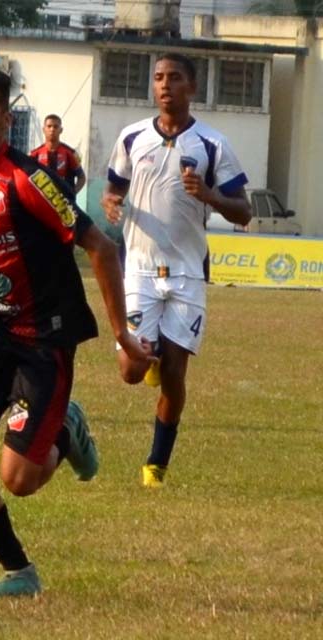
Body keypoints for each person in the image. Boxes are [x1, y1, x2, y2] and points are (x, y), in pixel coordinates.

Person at [0, 68, 153, 597]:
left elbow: (101, 247)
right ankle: (19, 573)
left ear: (6, 119)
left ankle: (64, 428)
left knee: (19, 479)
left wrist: (123, 335)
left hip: (45, 337)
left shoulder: (29, 179)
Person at [101, 53, 252, 488]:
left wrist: (208, 195)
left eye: (175, 78)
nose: (165, 85)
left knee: (174, 375)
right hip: (140, 271)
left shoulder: (212, 144)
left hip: (187, 274)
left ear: (192, 88)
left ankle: (156, 463)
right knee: (130, 372)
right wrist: (111, 202)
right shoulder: (131, 138)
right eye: (159, 78)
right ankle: (147, 359)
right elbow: (114, 188)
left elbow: (243, 212)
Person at [28, 114, 86, 194]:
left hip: (64, 203)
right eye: (49, 126)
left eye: (55, 127)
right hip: (42, 201)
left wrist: (73, 193)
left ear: (61, 130)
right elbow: (27, 177)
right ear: (44, 129)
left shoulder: (70, 153)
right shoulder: (35, 154)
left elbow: (82, 177)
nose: (52, 129)